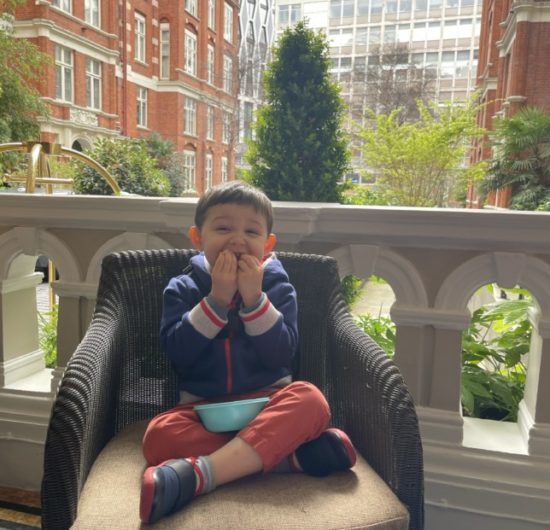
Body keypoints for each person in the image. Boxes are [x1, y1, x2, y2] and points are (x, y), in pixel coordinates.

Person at [140, 181, 356, 524]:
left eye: (251, 231)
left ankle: (201, 474)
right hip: (204, 410)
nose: (238, 239)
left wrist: (254, 300)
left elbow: (281, 354)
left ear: (267, 244)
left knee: (312, 400)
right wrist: (217, 300)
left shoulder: (278, 286)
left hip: (270, 403)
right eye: (223, 228)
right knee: (158, 438)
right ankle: (290, 459)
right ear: (197, 237)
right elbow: (179, 353)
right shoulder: (182, 288)